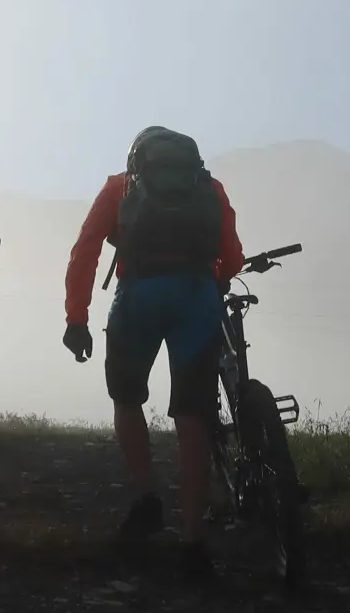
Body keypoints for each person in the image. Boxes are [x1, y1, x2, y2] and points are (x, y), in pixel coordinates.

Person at [62, 126, 243, 579]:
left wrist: (77, 317)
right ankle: (194, 542)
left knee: (127, 397)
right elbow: (233, 257)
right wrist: (211, 276)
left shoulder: (119, 188)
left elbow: (84, 251)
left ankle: (147, 501)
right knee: (192, 415)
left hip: (138, 297)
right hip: (197, 297)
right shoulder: (210, 188)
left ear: (136, 160)